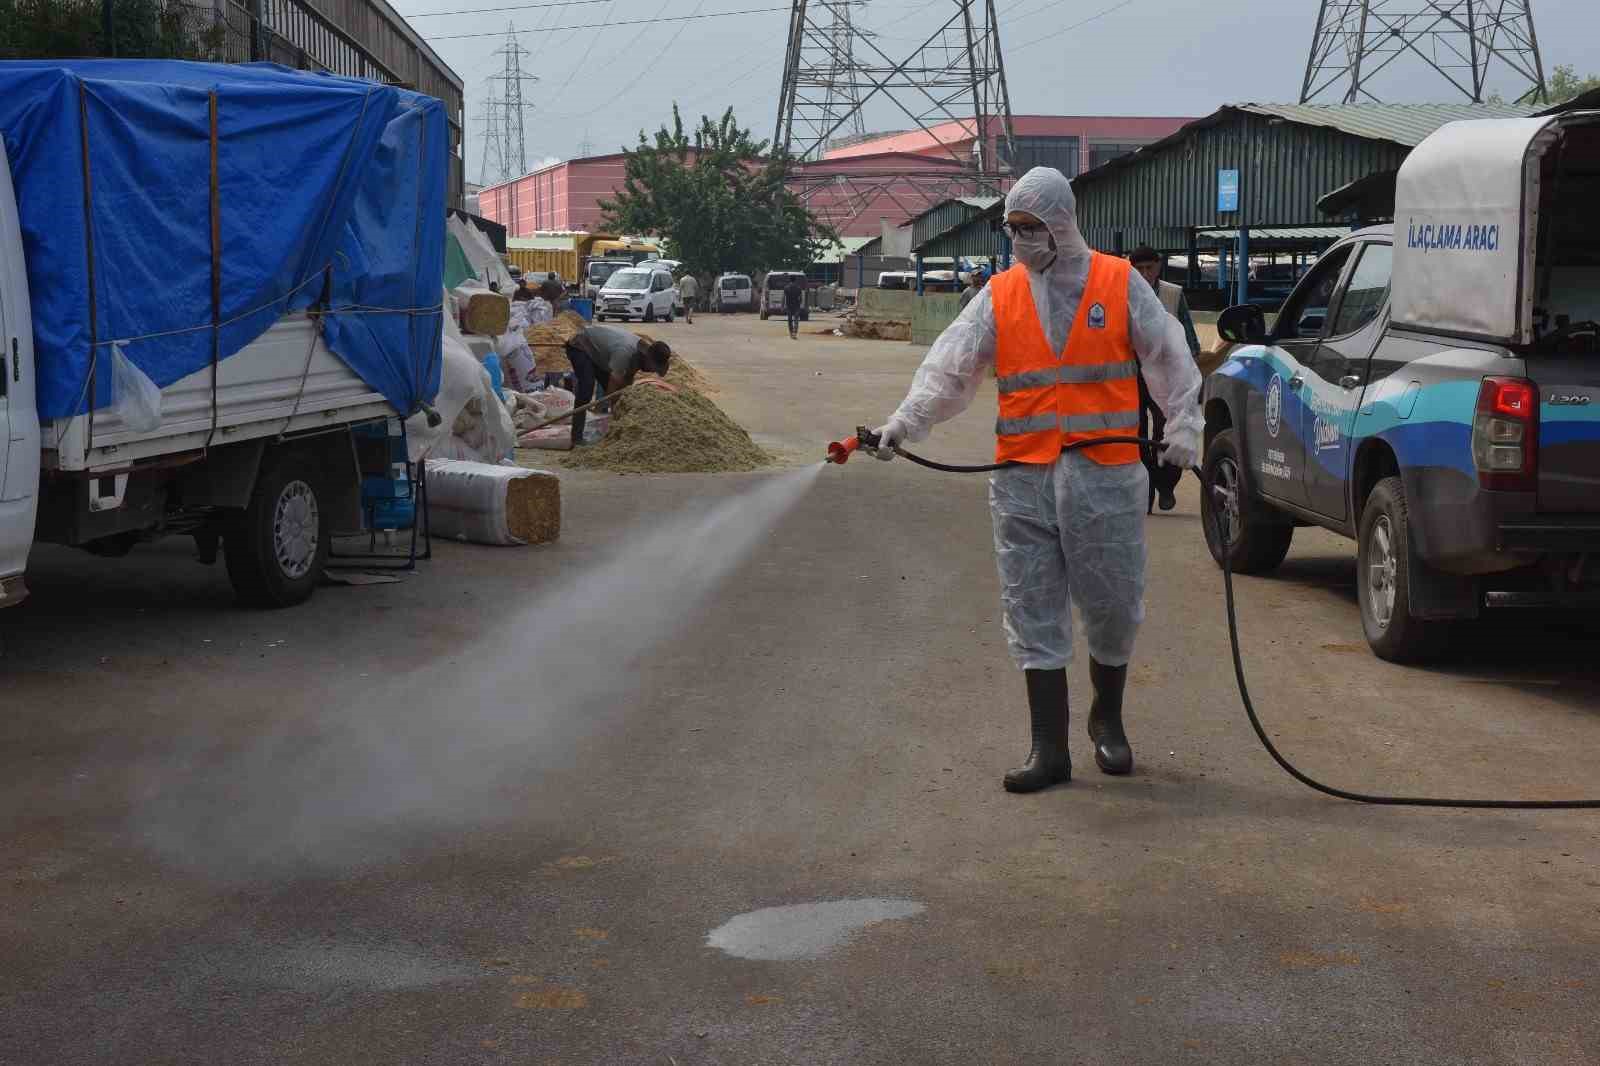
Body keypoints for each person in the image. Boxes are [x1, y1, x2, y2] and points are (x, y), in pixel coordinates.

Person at [870, 167, 1202, 794]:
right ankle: (1048, 748)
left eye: (1031, 228)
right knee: (1031, 605)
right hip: (1022, 477)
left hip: (1102, 477)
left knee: (1111, 606)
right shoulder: (1000, 295)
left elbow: (1167, 353)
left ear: (1060, 224)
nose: (1021, 240)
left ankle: (1108, 720)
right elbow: (950, 368)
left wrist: (1185, 422)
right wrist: (903, 424)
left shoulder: (1116, 280)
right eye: (1013, 229)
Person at [1128, 246, 1203, 513]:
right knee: (1135, 433)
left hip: (1165, 375)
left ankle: (1166, 485)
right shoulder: (1124, 293)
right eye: (1139, 269)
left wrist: (1192, 375)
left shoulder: (1173, 294)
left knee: (1168, 429)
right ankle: (1145, 491)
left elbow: (1189, 336)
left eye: (1149, 267)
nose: (1145, 274)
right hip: (1133, 374)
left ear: (1159, 266)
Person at [563, 325, 671, 447]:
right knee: (587, 387)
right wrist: (611, 405)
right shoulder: (624, 352)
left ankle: (619, 434)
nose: (653, 371)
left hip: (600, 355)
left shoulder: (640, 355)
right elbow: (613, 385)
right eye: (654, 368)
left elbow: (626, 382)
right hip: (582, 346)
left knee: (619, 398)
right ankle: (576, 438)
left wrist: (622, 402)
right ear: (649, 359)